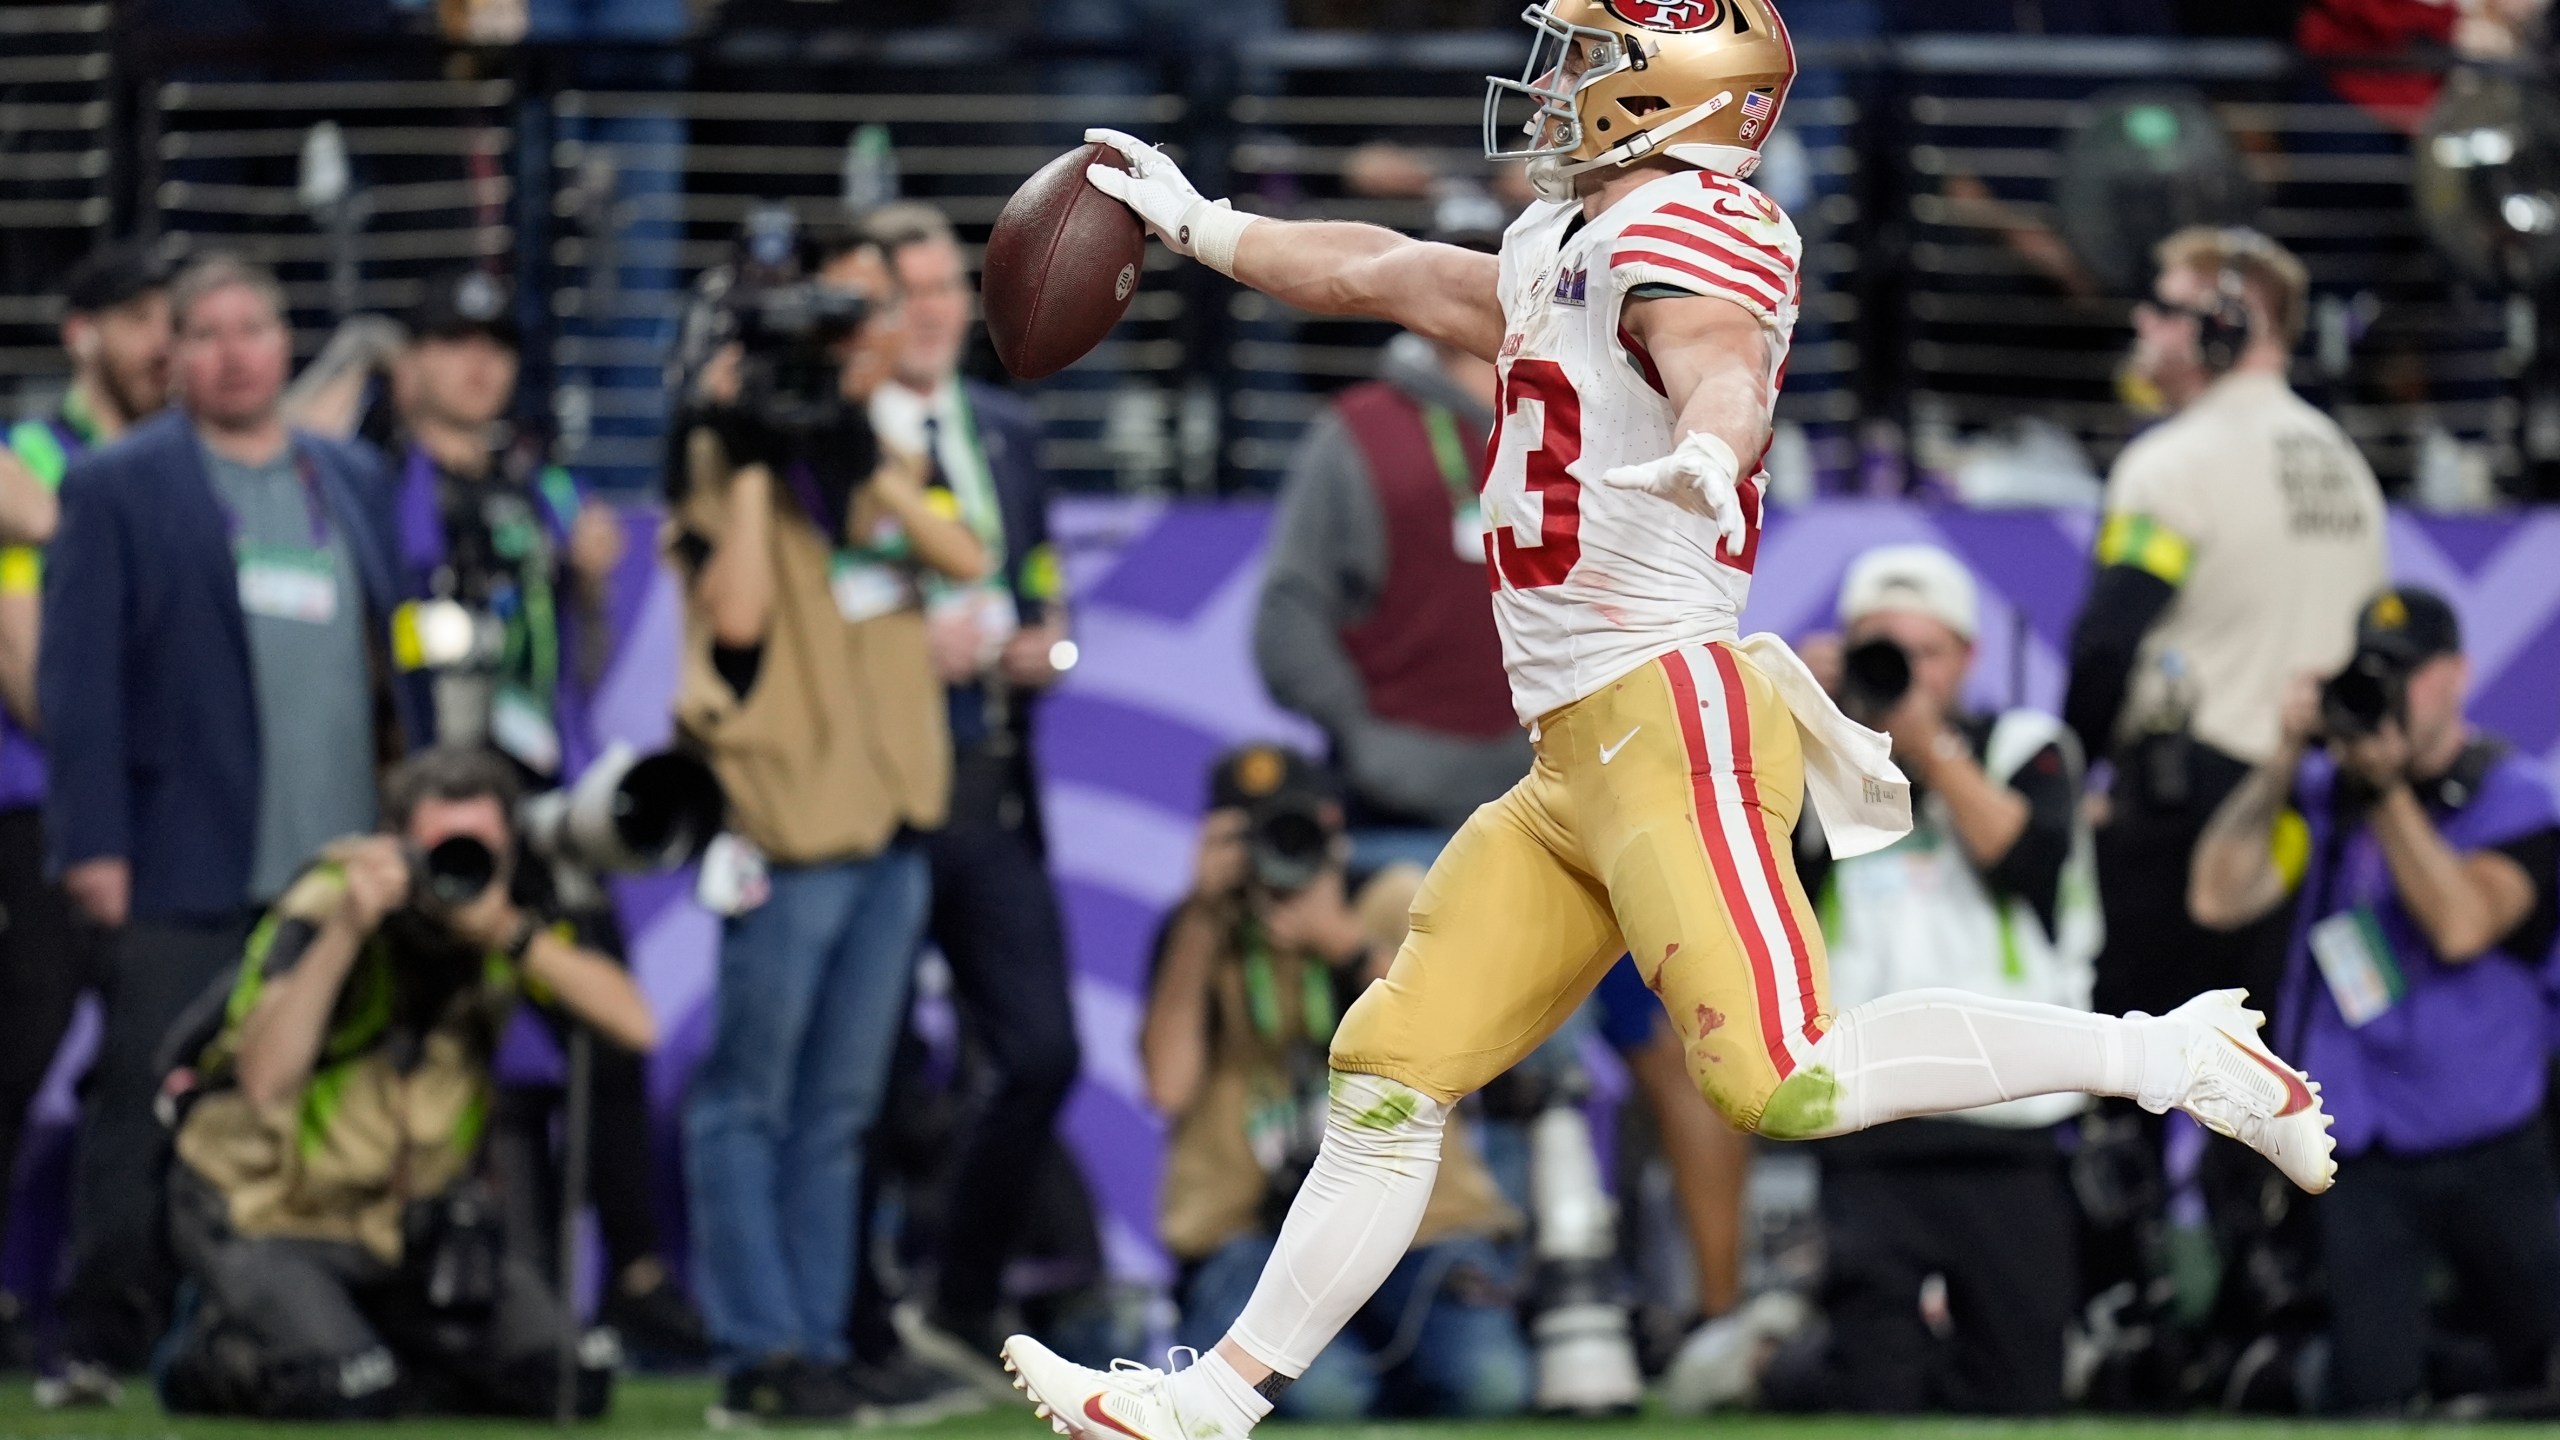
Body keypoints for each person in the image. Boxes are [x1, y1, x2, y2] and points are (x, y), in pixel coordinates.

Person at [1002, 7, 2338, 1438]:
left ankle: (2181, 1055)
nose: (1553, 85)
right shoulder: (1560, 241)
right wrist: (1203, 226)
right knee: (1388, 1071)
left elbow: (1722, 354)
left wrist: (1713, 439)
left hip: (1671, 717)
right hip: (1577, 753)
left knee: (1786, 1077)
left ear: (1669, 95)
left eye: (1586, 60)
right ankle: (1211, 1402)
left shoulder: (1696, 222)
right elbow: (1389, 271)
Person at [40, 252, 432, 1392]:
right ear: (173, 356)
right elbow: (79, 685)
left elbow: (387, 666)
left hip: (340, 866)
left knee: (325, 1106)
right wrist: (95, 844)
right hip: (183, 855)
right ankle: (103, 1337)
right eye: (202, 332)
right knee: (148, 1101)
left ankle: (285, 1327)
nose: (230, 350)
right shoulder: (120, 482)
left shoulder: (351, 475)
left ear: (283, 340)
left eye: (251, 327)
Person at [668, 228, 988, 1421]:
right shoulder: (715, 453)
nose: (869, 343)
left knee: (840, 1109)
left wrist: (860, 452)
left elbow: (965, 553)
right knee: (749, 1098)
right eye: (846, 326)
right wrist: (753, 450)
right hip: (786, 821)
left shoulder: (861, 459)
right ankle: (758, 1352)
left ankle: (812, 1342)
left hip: (890, 821)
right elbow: (739, 616)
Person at [377, 268, 707, 1364]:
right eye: (450, 341)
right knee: (438, 1042)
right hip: (436, 799)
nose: (478, 364)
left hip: (550, 799)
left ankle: (639, 1276)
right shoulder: (377, 481)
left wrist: (596, 590)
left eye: (494, 344)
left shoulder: (547, 494)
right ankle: (437, 1268)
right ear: (407, 362)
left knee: (604, 1038)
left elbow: (584, 665)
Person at [1689, 545, 2101, 1415]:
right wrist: (1801, 713)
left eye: (1926, 653)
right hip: (1873, 1116)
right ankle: (1779, 1363)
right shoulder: (1822, 759)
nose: (1904, 672)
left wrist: (1928, 745)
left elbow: (2027, 857)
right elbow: (1764, 878)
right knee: (1877, 1391)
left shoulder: (2025, 746)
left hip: (2011, 1118)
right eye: (1882, 649)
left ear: (1968, 659)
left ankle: (1777, 1359)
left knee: (2020, 1394)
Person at [157, 747, 654, 1419]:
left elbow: (634, 1025)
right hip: (274, 1210)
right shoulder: (329, 898)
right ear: (397, 846)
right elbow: (265, 1079)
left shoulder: (506, 916)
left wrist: (504, 930)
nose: (463, 871)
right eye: (442, 851)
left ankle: (382, 1347)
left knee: (566, 1384)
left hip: (410, 1227)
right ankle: (216, 1348)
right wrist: (349, 930)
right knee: (346, 1389)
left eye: (483, 850)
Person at [2190, 588, 2560, 1413]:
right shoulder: (2325, 794)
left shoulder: (2513, 795)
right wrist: (2285, 756)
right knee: (2372, 1395)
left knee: (2540, 1364)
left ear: (2457, 675)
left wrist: (2386, 791)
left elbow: (2461, 924)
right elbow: (2217, 897)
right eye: (2376, 674)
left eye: (2412, 674)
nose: (2394, 693)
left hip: (2488, 1135)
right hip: (2360, 1143)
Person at [860, 202, 1083, 1377]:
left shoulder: (1006, 432)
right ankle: (854, 1326)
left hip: (993, 781)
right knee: (872, 1074)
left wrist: (1042, 644)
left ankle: (955, 1301)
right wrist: (907, 644)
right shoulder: (838, 444)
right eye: (905, 294)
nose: (935, 311)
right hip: (876, 792)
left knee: (1040, 1053)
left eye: (948, 284)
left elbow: (1045, 598)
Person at [1144, 746, 1528, 1420]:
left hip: (1422, 1230)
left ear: (1332, 827)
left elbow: (1464, 1052)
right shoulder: (1199, 933)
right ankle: (1367, 1369)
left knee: (1490, 1386)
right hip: (1253, 1234)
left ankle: (1392, 1360)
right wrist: (1202, 920)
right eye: (1250, 834)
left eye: (1291, 827)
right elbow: (1168, 1089)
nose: (1274, 851)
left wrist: (1344, 944)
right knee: (1326, 1401)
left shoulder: (1400, 902)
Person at [2063, 225, 2387, 1022]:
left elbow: (2111, 635)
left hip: (2190, 804)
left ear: (2224, 324)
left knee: (2136, 1059)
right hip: (2316, 797)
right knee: (2269, 1069)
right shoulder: (2346, 462)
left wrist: (2074, 769)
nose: (2140, 323)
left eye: (2161, 306)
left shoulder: (2176, 460)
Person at [0, 244, 170, 1355]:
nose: (160, 341)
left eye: (172, 317)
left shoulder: (177, 461)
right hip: (44, 807)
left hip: (162, 813)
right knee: (16, 1053)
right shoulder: (28, 456)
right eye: (139, 318)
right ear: (82, 334)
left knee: (155, 1065)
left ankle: (121, 1302)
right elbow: (22, 663)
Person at [1252, 236, 1531, 848]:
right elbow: (1288, 614)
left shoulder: (1572, 426)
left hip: (1554, 801)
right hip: (1395, 808)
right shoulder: (1359, 433)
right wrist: (1365, 738)